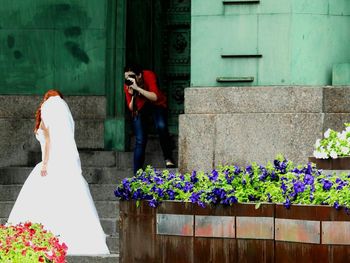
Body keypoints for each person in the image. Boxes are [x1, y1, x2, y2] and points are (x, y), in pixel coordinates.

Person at [7, 89, 110, 255]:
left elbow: (48, 142)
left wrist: (46, 163)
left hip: (50, 161)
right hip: (56, 161)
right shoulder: (49, 120)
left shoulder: (44, 120)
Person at [124, 65, 175, 174]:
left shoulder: (148, 75)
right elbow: (131, 108)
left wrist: (138, 88)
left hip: (156, 104)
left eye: (131, 76)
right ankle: (137, 173)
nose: (129, 79)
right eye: (126, 77)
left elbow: (155, 97)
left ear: (139, 75)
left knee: (161, 126)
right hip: (140, 108)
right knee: (140, 139)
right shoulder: (128, 84)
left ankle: (168, 158)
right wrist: (133, 95)